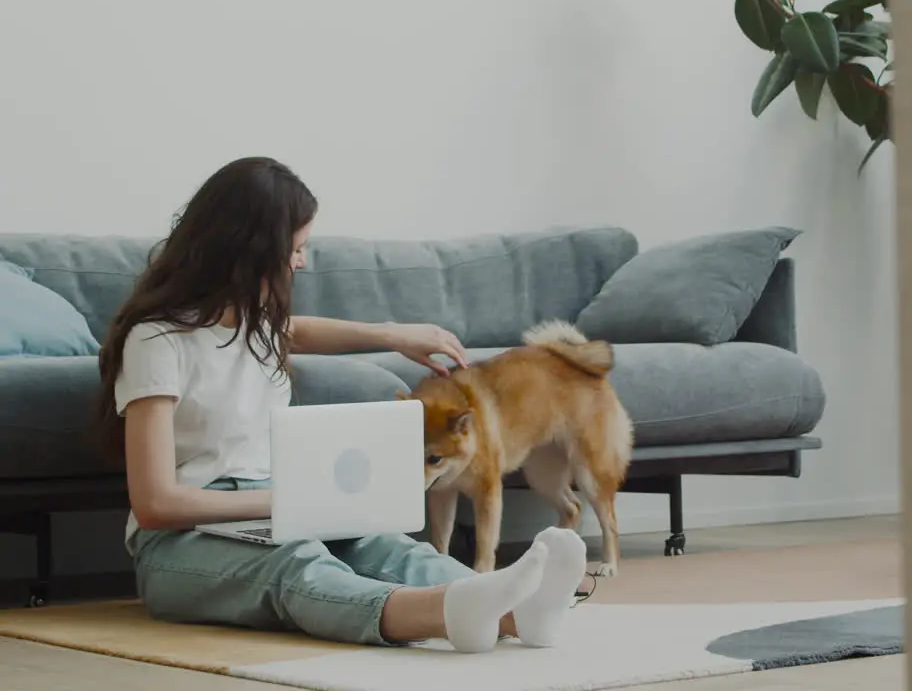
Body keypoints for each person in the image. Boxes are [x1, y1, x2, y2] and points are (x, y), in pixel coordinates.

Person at [94, 156, 585, 652]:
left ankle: (518, 616)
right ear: (250, 247)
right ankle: (449, 612)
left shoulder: (254, 323)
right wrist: (288, 503)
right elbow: (156, 505)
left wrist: (393, 335)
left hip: (275, 513)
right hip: (179, 546)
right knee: (296, 562)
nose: (301, 262)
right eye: (296, 247)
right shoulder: (156, 340)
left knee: (384, 545)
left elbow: (300, 332)